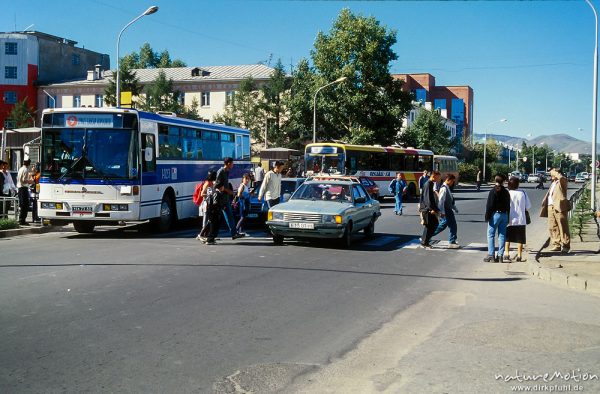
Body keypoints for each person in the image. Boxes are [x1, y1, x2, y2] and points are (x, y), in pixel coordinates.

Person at [540, 168, 571, 253]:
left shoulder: (562, 181)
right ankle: (556, 244)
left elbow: (561, 178)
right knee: (552, 226)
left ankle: (565, 245)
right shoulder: (553, 183)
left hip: (560, 206)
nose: (551, 174)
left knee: (563, 226)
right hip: (551, 206)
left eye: (553, 173)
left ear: (558, 173)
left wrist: (555, 172)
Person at [216, 157, 245, 240]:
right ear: (228, 163)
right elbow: (217, 185)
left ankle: (234, 233)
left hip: (225, 198)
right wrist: (227, 190)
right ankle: (205, 233)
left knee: (229, 216)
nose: (233, 165)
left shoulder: (226, 172)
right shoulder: (221, 171)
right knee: (215, 218)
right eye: (232, 163)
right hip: (220, 199)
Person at [484, 175, 511, 262]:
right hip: (504, 215)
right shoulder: (506, 192)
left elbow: (489, 205)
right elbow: (508, 205)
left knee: (491, 234)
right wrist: (508, 216)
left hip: (495, 215)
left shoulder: (493, 191)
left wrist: (487, 216)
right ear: (503, 181)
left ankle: (491, 254)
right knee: (502, 235)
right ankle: (500, 256)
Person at [504, 176, 531, 262]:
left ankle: (506, 253)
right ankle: (519, 255)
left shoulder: (507, 193)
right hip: (520, 219)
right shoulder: (523, 193)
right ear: (518, 184)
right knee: (520, 238)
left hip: (509, 219)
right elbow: (528, 206)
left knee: (507, 237)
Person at [432, 174, 460, 248]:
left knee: (452, 225)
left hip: (448, 210)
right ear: (449, 180)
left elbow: (449, 200)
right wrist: (442, 212)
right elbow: (441, 201)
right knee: (443, 225)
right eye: (452, 181)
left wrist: (454, 208)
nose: (452, 183)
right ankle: (427, 236)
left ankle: (452, 241)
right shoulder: (444, 188)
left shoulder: (447, 187)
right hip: (446, 210)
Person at [418, 170, 441, 248]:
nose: (438, 179)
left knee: (430, 225)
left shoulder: (430, 183)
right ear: (433, 176)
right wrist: (432, 209)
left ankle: (424, 241)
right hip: (427, 209)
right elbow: (427, 199)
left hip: (428, 208)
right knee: (432, 224)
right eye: (438, 177)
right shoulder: (428, 184)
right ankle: (424, 242)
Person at [197, 170, 216, 241]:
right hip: (206, 204)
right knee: (205, 220)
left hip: (211, 204)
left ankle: (206, 234)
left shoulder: (212, 183)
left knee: (209, 220)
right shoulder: (207, 183)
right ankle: (202, 235)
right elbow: (202, 194)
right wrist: (209, 195)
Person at [17, 159, 33, 225]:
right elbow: (23, 180)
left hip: (19, 188)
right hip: (23, 188)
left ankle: (21, 220)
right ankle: (22, 220)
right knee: (25, 205)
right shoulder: (26, 170)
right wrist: (30, 181)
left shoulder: (20, 169)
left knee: (22, 204)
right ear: (28, 164)